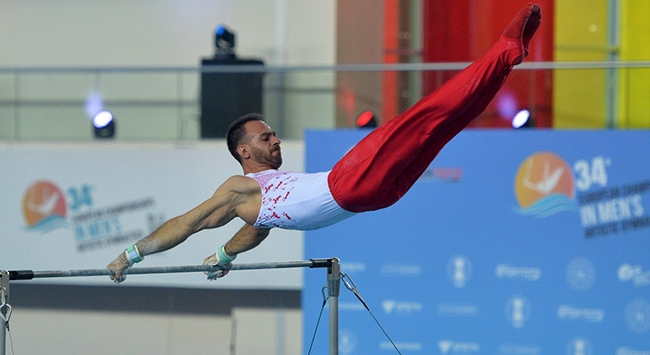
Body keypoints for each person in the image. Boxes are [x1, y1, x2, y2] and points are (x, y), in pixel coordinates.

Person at [108, 3, 542, 283]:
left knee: (446, 124)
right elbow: (186, 223)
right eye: (265, 137)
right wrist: (131, 254)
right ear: (244, 152)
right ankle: (504, 48)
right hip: (349, 186)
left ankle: (507, 60)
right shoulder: (239, 189)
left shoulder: (262, 207)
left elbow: (253, 234)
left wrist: (224, 255)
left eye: (274, 134)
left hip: (372, 197)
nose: (275, 140)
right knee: (425, 115)